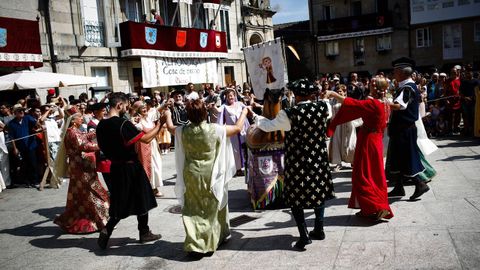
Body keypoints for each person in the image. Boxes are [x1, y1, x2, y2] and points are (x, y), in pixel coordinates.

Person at [249, 79, 335, 250]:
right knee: (319, 192)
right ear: (312, 94)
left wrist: (255, 116)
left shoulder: (289, 113)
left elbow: (268, 126)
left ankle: (304, 236)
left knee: (296, 198)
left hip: (298, 162)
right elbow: (328, 109)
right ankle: (319, 229)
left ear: (295, 95)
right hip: (318, 159)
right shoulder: (324, 107)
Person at [164, 99, 248, 256]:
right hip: (212, 174)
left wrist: (168, 115)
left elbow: (169, 127)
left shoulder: (183, 130)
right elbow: (237, 128)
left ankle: (195, 243)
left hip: (190, 174)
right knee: (212, 208)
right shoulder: (214, 129)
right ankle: (211, 241)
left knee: (192, 208)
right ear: (205, 113)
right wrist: (244, 112)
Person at [96, 92, 162, 249]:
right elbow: (145, 139)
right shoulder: (122, 124)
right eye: (125, 106)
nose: (127, 108)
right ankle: (144, 232)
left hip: (115, 167)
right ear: (119, 105)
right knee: (143, 197)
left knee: (120, 201)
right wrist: (160, 125)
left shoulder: (101, 125)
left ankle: (107, 229)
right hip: (131, 165)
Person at [327, 77, 393, 220]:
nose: (369, 85)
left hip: (368, 141)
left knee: (363, 175)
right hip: (376, 141)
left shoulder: (372, 103)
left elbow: (352, 103)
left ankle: (375, 207)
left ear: (375, 88)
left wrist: (333, 94)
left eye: (371, 84)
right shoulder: (385, 102)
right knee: (375, 175)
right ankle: (373, 207)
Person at [54, 113, 110, 234]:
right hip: (81, 169)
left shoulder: (75, 131)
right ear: (74, 121)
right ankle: (101, 222)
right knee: (93, 192)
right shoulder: (72, 132)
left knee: (83, 194)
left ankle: (92, 220)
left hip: (84, 168)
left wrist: (97, 131)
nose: (82, 119)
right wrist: (100, 145)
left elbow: (85, 136)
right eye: (80, 118)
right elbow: (83, 145)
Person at [386, 57, 429, 200]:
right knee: (398, 157)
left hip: (404, 129)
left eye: (394, 71)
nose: (393, 74)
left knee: (407, 157)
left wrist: (383, 103)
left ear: (401, 73)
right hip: (402, 129)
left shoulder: (407, 88)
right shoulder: (406, 86)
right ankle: (399, 187)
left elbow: (400, 106)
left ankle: (420, 184)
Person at [131, 101, 164, 198]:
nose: (145, 109)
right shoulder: (137, 120)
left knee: (157, 165)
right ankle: (151, 188)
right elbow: (135, 129)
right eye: (142, 108)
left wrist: (165, 105)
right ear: (138, 110)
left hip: (153, 145)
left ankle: (154, 187)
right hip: (144, 146)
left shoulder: (148, 118)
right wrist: (134, 121)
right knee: (148, 166)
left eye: (145, 107)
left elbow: (156, 111)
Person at [217, 88, 250, 176]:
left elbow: (248, 110)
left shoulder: (240, 104)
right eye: (228, 96)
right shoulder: (224, 107)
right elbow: (218, 112)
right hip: (232, 133)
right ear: (226, 97)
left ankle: (244, 168)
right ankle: (236, 169)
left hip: (242, 131)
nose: (230, 97)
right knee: (234, 151)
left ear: (234, 96)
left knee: (244, 149)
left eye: (231, 95)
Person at [328, 84, 362, 171]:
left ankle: (353, 161)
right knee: (337, 143)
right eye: (337, 91)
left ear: (344, 92)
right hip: (337, 126)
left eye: (341, 91)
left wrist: (355, 123)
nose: (339, 92)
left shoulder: (348, 101)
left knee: (351, 143)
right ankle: (338, 163)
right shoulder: (333, 102)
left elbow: (356, 112)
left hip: (348, 124)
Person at [7, 104, 40, 188]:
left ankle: (35, 181)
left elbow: (36, 123)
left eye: (22, 110)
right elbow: (12, 137)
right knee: (24, 164)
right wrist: (15, 148)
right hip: (21, 147)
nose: (21, 112)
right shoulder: (11, 124)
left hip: (30, 145)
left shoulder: (28, 118)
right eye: (19, 111)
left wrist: (39, 126)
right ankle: (27, 181)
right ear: (15, 113)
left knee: (33, 163)